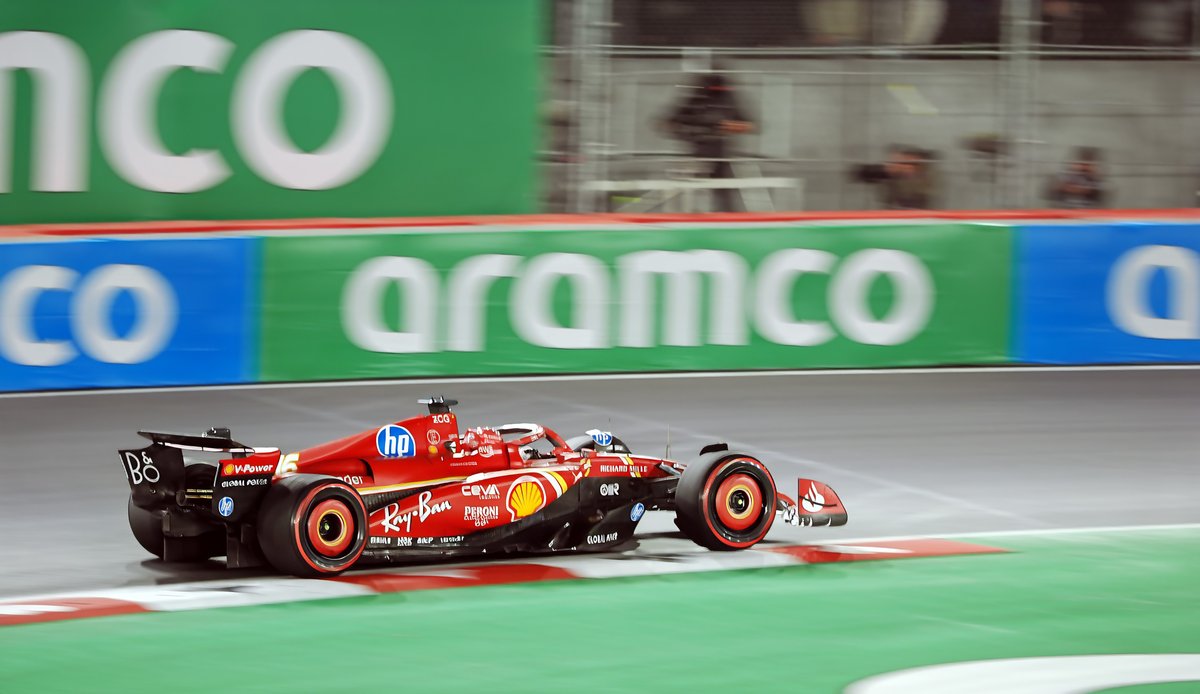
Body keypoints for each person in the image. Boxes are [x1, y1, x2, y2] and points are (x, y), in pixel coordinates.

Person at [663, 72, 753, 212]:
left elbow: (749, 125)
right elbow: (667, 123)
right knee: (688, 193)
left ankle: (725, 218)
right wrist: (690, 132)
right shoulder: (694, 100)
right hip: (697, 154)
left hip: (720, 155)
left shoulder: (728, 100)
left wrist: (728, 126)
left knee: (724, 194)